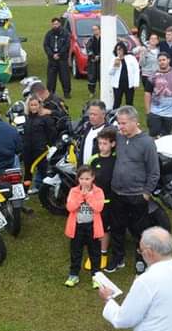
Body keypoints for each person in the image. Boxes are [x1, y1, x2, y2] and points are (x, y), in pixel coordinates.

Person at [107, 106, 160, 272]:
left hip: (137, 195)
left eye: (123, 123)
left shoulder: (147, 142)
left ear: (134, 122)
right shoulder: (119, 136)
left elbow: (154, 171)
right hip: (117, 193)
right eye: (118, 123)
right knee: (116, 227)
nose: (120, 127)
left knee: (140, 231)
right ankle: (117, 258)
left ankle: (141, 260)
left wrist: (146, 193)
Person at [64, 165, 105, 288]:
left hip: (92, 227)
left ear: (93, 178)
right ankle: (73, 275)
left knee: (95, 252)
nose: (84, 181)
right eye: (81, 178)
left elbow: (98, 208)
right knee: (75, 252)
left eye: (87, 179)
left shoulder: (98, 192)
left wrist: (89, 197)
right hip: (77, 227)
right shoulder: (74, 191)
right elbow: (70, 207)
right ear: (78, 179)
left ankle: (96, 276)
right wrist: (80, 198)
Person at [89, 129, 117, 269]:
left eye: (105, 143)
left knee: (106, 228)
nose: (102, 146)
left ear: (112, 144)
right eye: (100, 143)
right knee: (94, 227)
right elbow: (87, 178)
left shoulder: (117, 158)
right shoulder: (94, 159)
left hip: (111, 201)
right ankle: (93, 253)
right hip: (95, 201)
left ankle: (103, 253)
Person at [143, 52, 172, 138]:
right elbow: (147, 93)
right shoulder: (152, 76)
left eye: (164, 60)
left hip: (171, 113)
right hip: (155, 112)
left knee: (169, 137)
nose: (162, 62)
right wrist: (148, 111)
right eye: (160, 60)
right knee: (154, 137)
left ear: (169, 60)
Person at [22, 95, 56, 190]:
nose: (33, 107)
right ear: (28, 106)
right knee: (28, 172)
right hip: (27, 150)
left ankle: (46, 193)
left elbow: (52, 134)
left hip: (41, 151)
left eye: (35, 105)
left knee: (44, 171)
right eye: (31, 105)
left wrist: (49, 146)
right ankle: (25, 192)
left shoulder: (46, 119)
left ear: (40, 105)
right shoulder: (25, 118)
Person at [43, 17, 72, 97]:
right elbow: (46, 45)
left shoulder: (65, 33)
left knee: (64, 77)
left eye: (57, 24)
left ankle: (66, 92)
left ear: (60, 24)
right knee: (51, 78)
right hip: (52, 59)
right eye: (54, 24)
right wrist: (52, 54)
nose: (55, 26)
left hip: (62, 59)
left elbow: (67, 45)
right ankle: (50, 93)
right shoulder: (49, 34)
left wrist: (59, 54)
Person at [107, 41, 139, 110]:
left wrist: (136, 83)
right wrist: (115, 66)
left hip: (129, 84)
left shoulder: (130, 58)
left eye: (121, 50)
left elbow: (136, 70)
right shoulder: (114, 59)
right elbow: (110, 72)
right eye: (118, 50)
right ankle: (114, 117)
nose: (119, 52)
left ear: (124, 50)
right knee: (117, 102)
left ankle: (130, 116)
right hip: (117, 85)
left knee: (129, 102)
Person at [79, 100, 112, 165]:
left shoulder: (109, 132)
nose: (91, 117)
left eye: (95, 114)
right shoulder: (87, 128)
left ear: (103, 115)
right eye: (90, 114)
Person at [85, 24, 102, 97]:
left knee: (102, 77)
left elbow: (106, 49)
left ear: (100, 30)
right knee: (92, 77)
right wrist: (94, 56)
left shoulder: (104, 39)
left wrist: (100, 56)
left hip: (102, 62)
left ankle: (103, 92)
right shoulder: (91, 40)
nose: (95, 31)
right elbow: (88, 49)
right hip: (93, 61)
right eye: (93, 30)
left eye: (96, 29)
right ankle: (92, 92)